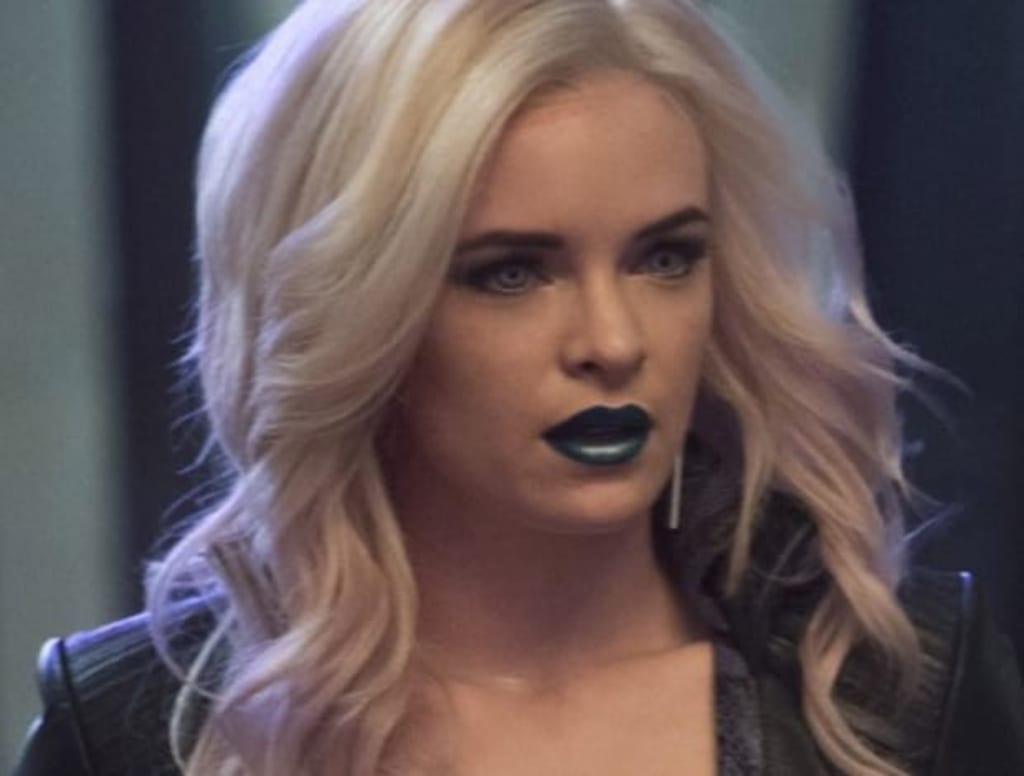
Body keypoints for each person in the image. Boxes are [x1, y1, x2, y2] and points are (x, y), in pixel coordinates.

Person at [14, 1, 1024, 774]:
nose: (612, 342)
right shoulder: (137, 732)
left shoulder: (894, 693)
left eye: (664, 258)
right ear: (363, 314)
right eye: (510, 273)